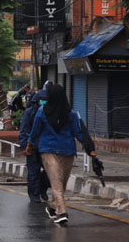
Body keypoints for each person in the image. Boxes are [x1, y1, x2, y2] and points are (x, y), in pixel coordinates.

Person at [27, 84, 97, 224]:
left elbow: (78, 132)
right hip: (50, 152)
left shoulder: (66, 114)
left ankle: (53, 208)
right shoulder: (58, 113)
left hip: (65, 152)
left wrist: (90, 149)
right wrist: (30, 144)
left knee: (61, 184)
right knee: (56, 182)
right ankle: (62, 212)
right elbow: (35, 131)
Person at [18, 90, 50, 202]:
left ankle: (42, 188)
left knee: (50, 171)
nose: (44, 103)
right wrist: (24, 146)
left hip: (47, 148)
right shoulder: (29, 113)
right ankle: (34, 196)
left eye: (47, 101)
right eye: (42, 101)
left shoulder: (51, 113)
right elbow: (23, 130)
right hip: (32, 147)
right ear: (36, 101)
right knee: (33, 172)